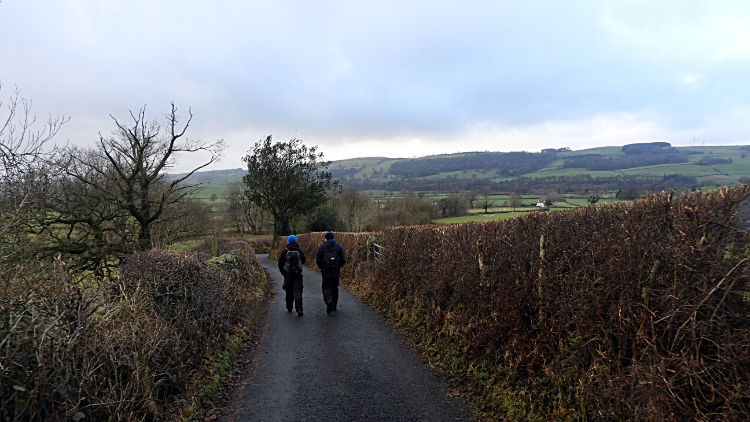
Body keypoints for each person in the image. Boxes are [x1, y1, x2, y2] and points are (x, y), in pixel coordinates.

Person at [315, 232, 346, 314]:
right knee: (335, 288)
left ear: (325, 238)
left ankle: (328, 301)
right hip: (335, 272)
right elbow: (343, 260)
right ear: (333, 238)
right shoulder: (338, 247)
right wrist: (338, 266)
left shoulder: (322, 248)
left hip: (326, 272)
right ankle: (334, 306)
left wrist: (322, 267)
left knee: (326, 288)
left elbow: (318, 260)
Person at [278, 235, 306, 316]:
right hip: (298, 274)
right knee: (298, 291)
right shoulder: (299, 251)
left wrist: (284, 273)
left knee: (289, 291)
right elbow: (303, 260)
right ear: (296, 241)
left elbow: (280, 264)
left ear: (288, 241)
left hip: (288, 275)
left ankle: (289, 307)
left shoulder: (285, 251)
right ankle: (299, 309)